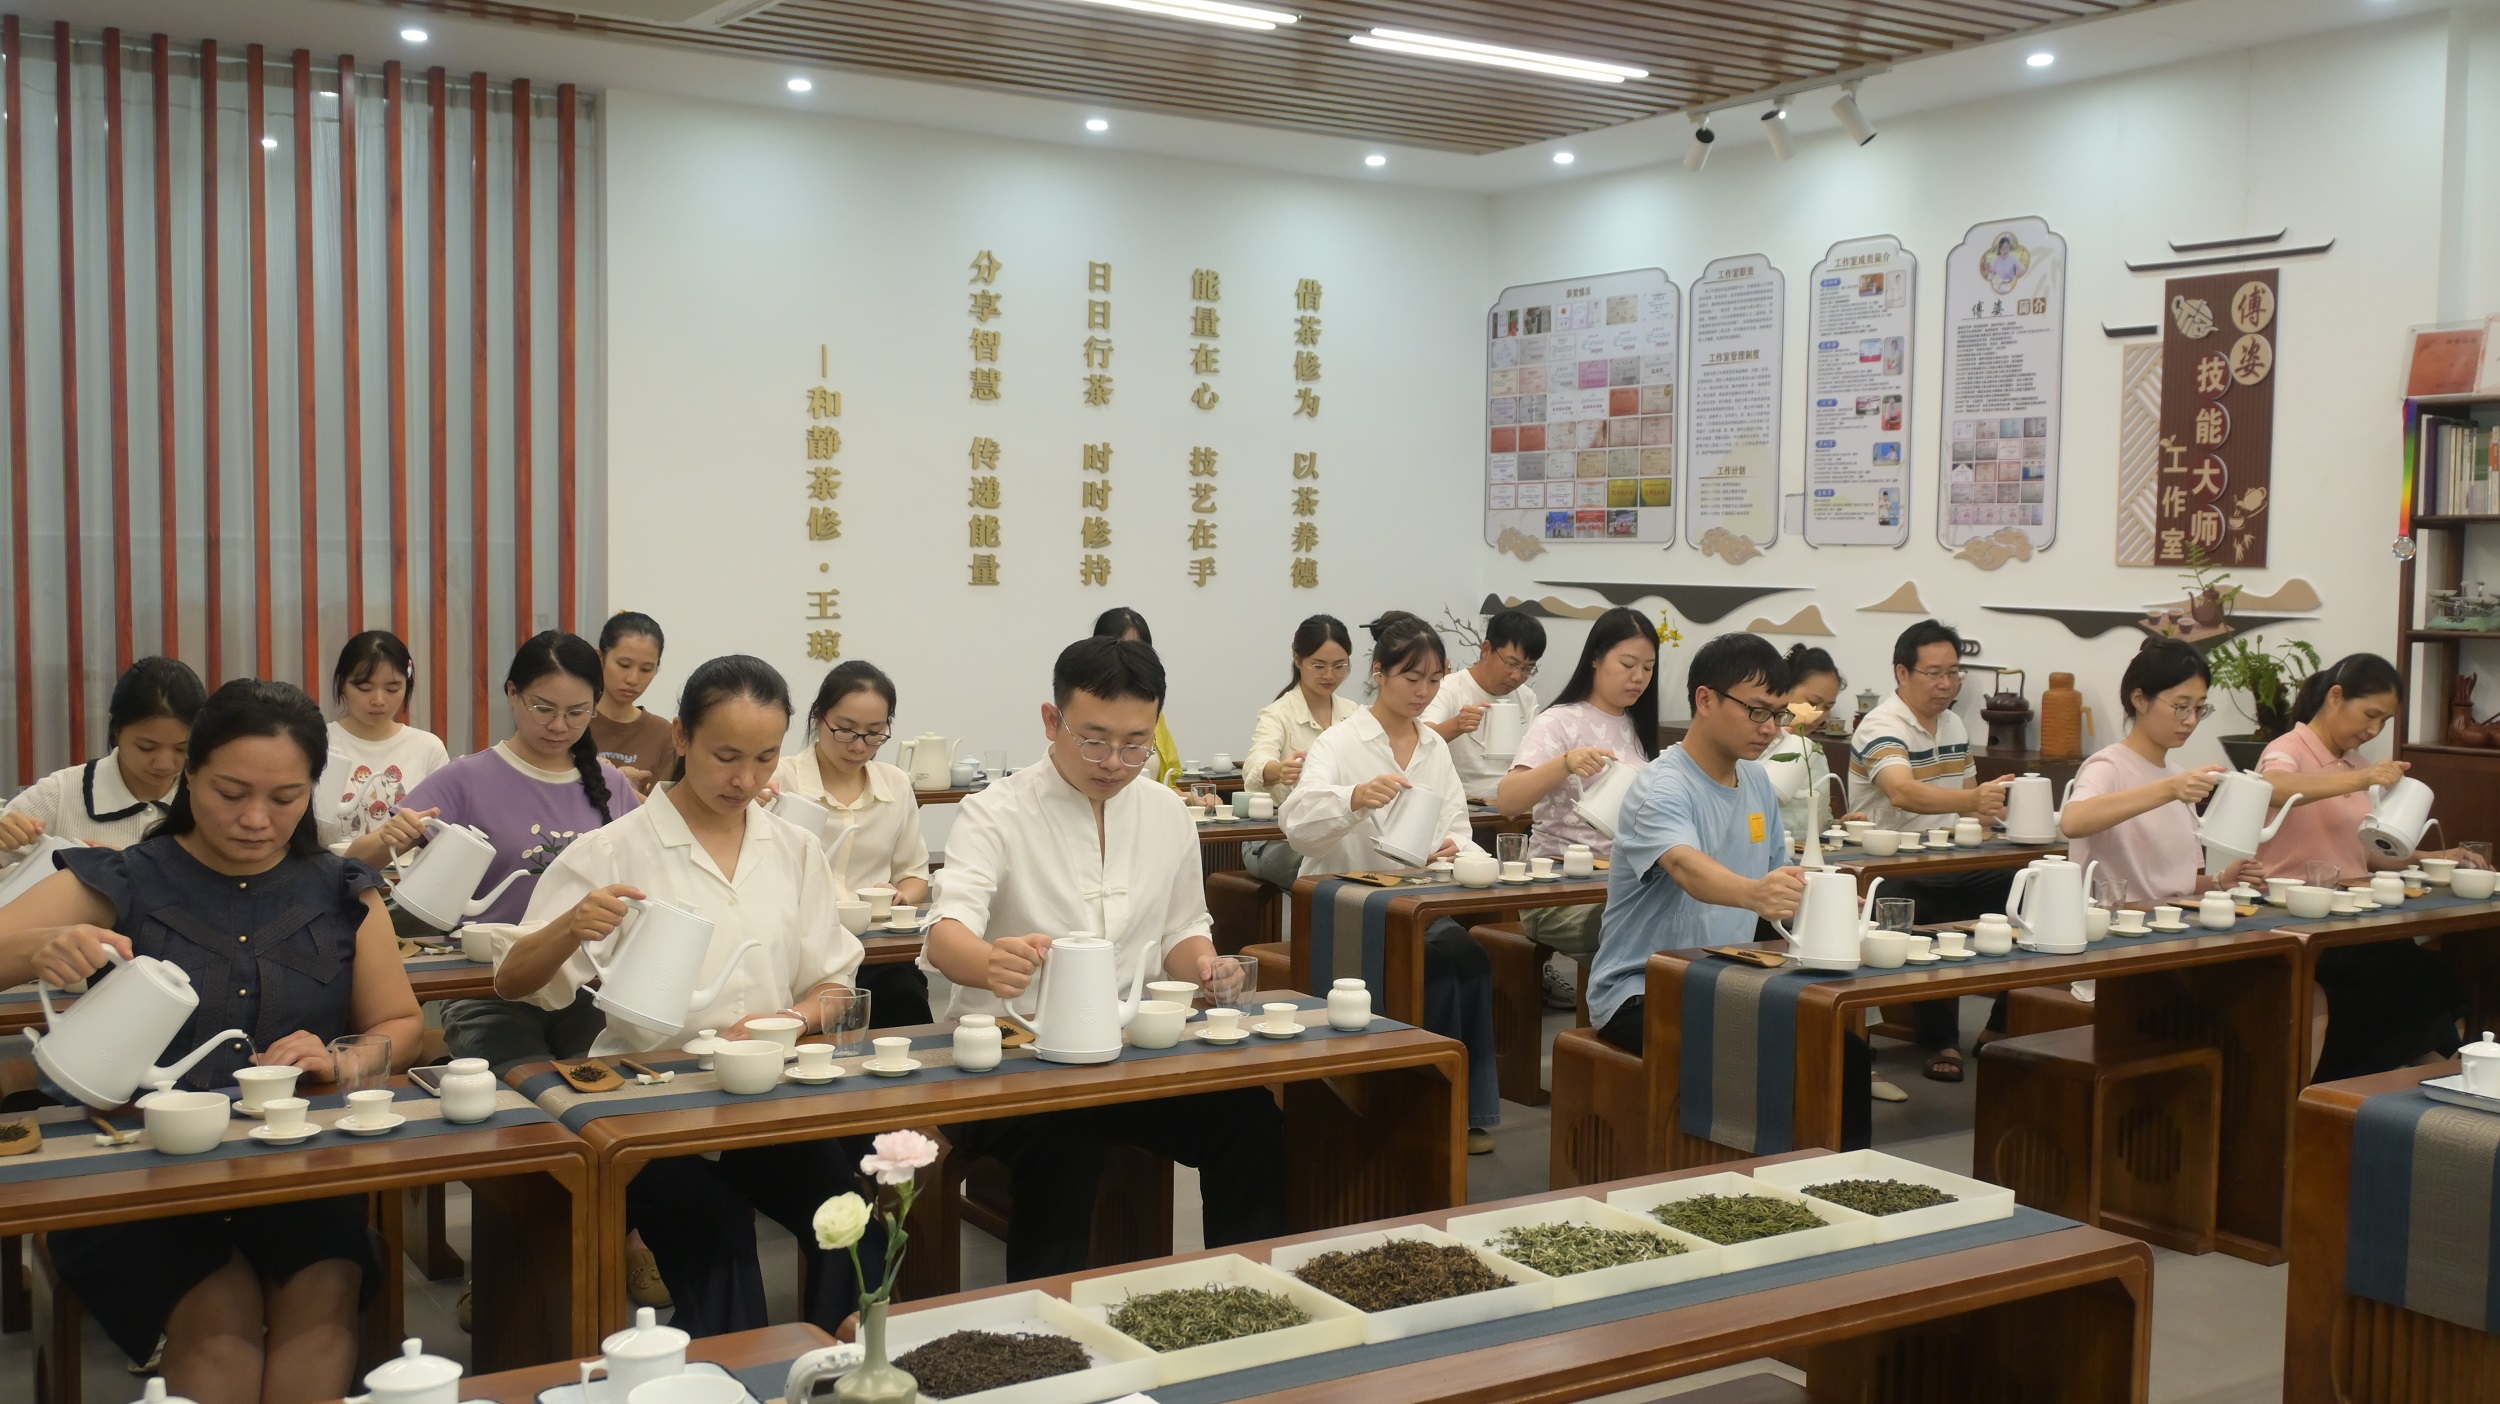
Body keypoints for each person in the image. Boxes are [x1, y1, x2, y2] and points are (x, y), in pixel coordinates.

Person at [0, 679, 421, 1402]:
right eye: (231, 792)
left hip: (295, 1168)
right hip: (136, 1173)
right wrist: (39, 946)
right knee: (221, 1334)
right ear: (189, 776)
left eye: (285, 798)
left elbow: (401, 1024)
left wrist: (341, 1059)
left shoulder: (341, 889)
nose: (256, 819)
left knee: (320, 1319)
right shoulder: (125, 877)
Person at [491, 655, 871, 1337]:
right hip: (647, 1110)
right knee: (717, 1236)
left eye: (764, 758)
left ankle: (834, 1372)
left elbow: (835, 984)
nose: (745, 780)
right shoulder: (613, 850)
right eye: (726, 756)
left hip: (761, 1101)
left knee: (848, 1219)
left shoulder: (793, 849)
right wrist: (570, 925)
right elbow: (513, 981)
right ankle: (731, 1377)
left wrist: (790, 1018)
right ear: (682, 737)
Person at [925, 636, 1285, 1279]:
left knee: (1249, 1118)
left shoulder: (1166, 812)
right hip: (1017, 1065)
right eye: (1093, 741)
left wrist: (1207, 966)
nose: (1115, 762)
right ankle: (1041, 1322)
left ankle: (1251, 1294)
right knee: (1067, 1141)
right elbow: (945, 933)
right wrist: (988, 962)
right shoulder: (995, 812)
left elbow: (1181, 928)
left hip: (1126, 1060)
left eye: (1136, 744)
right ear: (1051, 720)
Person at [1280, 612, 1504, 1154]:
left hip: (1411, 902)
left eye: (1434, 680)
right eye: (1411, 677)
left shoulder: (1434, 747)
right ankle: (1417, 1111)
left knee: (1468, 957)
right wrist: (1354, 798)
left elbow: (1458, 828)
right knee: (1433, 965)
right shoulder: (1340, 742)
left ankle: (1464, 1110)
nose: (1424, 692)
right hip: (1343, 906)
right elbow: (1297, 826)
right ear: (1379, 672)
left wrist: (1454, 851)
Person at [2256, 653, 2482, 1080]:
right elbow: (2273, 787)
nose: (2374, 730)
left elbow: (2368, 850)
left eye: (2384, 721)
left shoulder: (2357, 764)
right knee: (2399, 977)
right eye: (2370, 715)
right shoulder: (2287, 750)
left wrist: (2437, 857)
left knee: (2429, 975)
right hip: (2293, 917)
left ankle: (2428, 1081)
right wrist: (2362, 780)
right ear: (2335, 697)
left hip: (2346, 917)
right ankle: (2419, 1081)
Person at [1586, 633, 1803, 1054]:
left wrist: (1824, 898)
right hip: (1642, 990)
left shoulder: (1757, 779)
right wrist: (1755, 893)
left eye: (1779, 714)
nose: (1770, 728)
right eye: (1757, 710)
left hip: (1728, 979)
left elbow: (1781, 877)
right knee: (1769, 1053)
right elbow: (1686, 867)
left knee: (1839, 1048)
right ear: (1705, 700)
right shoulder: (1661, 786)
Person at [1846, 618, 2012, 1084]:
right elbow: (1902, 791)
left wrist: (2002, 814)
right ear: (1902, 673)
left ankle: (2001, 1023)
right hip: (1888, 869)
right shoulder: (1881, 725)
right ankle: (1942, 1039)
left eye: (1954, 672)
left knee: (2033, 891)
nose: (1946, 684)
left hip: (1954, 860)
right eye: (1934, 673)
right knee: (1924, 905)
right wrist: (1972, 801)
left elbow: (1973, 805)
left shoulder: (1954, 723)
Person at [1494, 606, 1658, 1011]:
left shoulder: (1638, 726)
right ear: (1595, 659)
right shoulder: (1558, 722)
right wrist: (1565, 763)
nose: (1639, 677)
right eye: (1628, 664)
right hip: (1557, 890)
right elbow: (1509, 801)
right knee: (1643, 932)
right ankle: (1625, 1021)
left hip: (1622, 885)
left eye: (1648, 668)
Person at [775, 659, 935, 1025]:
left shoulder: (894, 784)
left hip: (875, 953)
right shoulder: (781, 779)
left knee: (906, 1002)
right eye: (845, 730)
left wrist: (900, 896)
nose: (859, 746)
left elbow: (913, 874)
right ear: (819, 717)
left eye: (874, 733)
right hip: (802, 952)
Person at [2059, 639, 2267, 903]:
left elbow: (2175, 885)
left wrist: (2220, 881)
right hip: (2118, 923)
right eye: (2181, 707)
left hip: (2171, 920)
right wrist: (2170, 789)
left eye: (2199, 708)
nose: (2191, 720)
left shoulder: (2178, 777)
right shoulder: (2108, 766)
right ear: (2140, 699)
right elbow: (2073, 822)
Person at [0, 657, 205, 869]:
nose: (165, 764)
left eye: (182, 749)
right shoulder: (60, 795)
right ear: (116, 729)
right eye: (146, 747)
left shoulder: (207, 798)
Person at [1239, 614, 1358, 890]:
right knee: (1329, 873)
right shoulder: (1278, 713)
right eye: (1319, 666)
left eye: (1339, 666)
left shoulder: (1353, 714)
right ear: (1297, 659)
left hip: (1334, 837)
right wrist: (1278, 769)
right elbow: (1256, 761)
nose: (1329, 675)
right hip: (1274, 839)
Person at [325, 631, 452, 869]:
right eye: (364, 688)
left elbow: (441, 833)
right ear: (342, 684)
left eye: (393, 688)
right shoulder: (320, 743)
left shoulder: (428, 748)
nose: (379, 700)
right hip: (328, 880)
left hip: (405, 883)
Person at [1422, 609, 1547, 804]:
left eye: (1527, 668)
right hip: (1463, 803)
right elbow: (1420, 740)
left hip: (1513, 803)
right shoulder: (1448, 689)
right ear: (1486, 649)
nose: (1517, 676)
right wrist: (1457, 725)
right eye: (1511, 664)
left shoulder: (1526, 697)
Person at [1091, 607, 1184, 786]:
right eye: (1122, 649)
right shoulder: (1086, 711)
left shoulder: (1153, 714)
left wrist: (1194, 798)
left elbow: (1168, 786)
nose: (1131, 661)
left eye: (1140, 651)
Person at [591, 611, 677, 796]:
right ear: (600, 658)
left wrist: (623, 790)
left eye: (646, 669)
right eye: (624, 665)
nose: (633, 679)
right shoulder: (571, 720)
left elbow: (663, 809)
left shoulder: (664, 735)